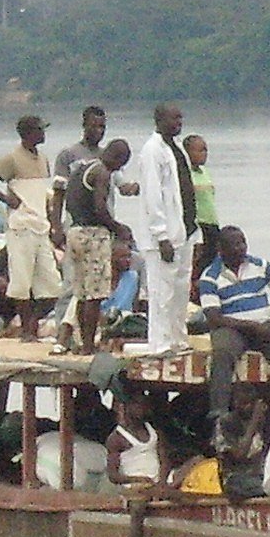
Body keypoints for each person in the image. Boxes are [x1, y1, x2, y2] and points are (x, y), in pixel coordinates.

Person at [0, 115, 61, 341]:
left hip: (41, 226)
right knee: (21, 282)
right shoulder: (12, 159)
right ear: (28, 133)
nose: (43, 134)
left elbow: (43, 193)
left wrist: (53, 222)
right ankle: (26, 330)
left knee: (52, 286)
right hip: (21, 227)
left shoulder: (43, 159)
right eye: (40, 130)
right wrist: (7, 199)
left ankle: (31, 323)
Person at [197, 225, 270, 419]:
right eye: (235, 245)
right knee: (222, 354)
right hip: (231, 328)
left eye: (243, 242)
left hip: (265, 326)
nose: (241, 248)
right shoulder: (209, 277)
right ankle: (219, 411)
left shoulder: (261, 266)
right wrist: (250, 326)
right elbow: (214, 318)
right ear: (221, 249)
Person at [57, 140, 134, 354]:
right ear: (118, 158)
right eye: (121, 164)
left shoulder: (82, 168)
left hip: (74, 231)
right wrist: (118, 227)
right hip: (93, 234)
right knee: (95, 294)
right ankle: (89, 345)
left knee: (81, 292)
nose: (119, 169)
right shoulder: (102, 173)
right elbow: (100, 208)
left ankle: (81, 342)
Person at [135, 103, 199, 354]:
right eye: (174, 118)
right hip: (164, 236)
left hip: (184, 231)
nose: (179, 122)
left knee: (181, 289)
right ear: (159, 120)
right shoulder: (153, 150)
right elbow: (153, 194)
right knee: (162, 291)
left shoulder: (176, 149)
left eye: (181, 117)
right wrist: (161, 235)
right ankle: (160, 342)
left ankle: (177, 338)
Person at [106, 392, 170, 491]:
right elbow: (113, 476)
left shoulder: (156, 432)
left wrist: (161, 483)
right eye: (137, 404)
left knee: (196, 460)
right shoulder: (116, 438)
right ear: (127, 406)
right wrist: (137, 479)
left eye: (144, 404)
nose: (141, 408)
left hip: (159, 482)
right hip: (135, 485)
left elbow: (164, 461)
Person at [214, 384, 268, 501]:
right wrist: (253, 423)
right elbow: (239, 455)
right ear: (234, 402)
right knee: (265, 488)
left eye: (250, 403)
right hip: (236, 479)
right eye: (242, 402)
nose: (246, 407)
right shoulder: (226, 422)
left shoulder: (265, 423)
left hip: (261, 476)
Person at [184, 133, 219, 278]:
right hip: (199, 226)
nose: (204, 154)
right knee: (198, 266)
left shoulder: (204, 172)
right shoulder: (185, 174)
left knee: (212, 264)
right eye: (200, 150)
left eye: (206, 150)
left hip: (212, 224)